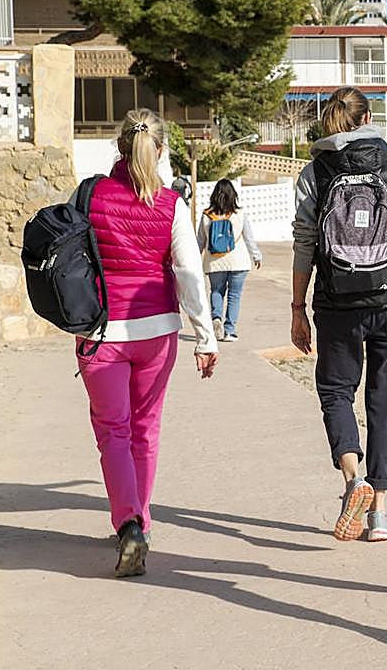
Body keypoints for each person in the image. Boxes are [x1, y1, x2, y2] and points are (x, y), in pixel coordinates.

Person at [75, 108, 218, 578]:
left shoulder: (91, 194)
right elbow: (189, 271)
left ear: (120, 147)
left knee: (113, 431)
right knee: (145, 429)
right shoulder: (173, 204)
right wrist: (206, 335)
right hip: (158, 331)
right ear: (160, 150)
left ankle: (128, 522)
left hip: (102, 331)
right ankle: (144, 520)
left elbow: (69, 257)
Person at [291, 87, 387, 542]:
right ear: (369, 117)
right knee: (382, 404)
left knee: (336, 392)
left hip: (336, 299)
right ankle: (379, 514)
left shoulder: (315, 170)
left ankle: (352, 475)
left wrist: (298, 308)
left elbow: (304, 242)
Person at [197, 178, 262, 342]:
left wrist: (194, 260)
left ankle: (216, 318)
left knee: (216, 292)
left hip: (214, 262)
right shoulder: (239, 214)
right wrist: (256, 256)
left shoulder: (207, 215)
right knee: (234, 296)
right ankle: (229, 331)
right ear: (233, 195)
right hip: (238, 261)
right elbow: (249, 238)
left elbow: (200, 241)